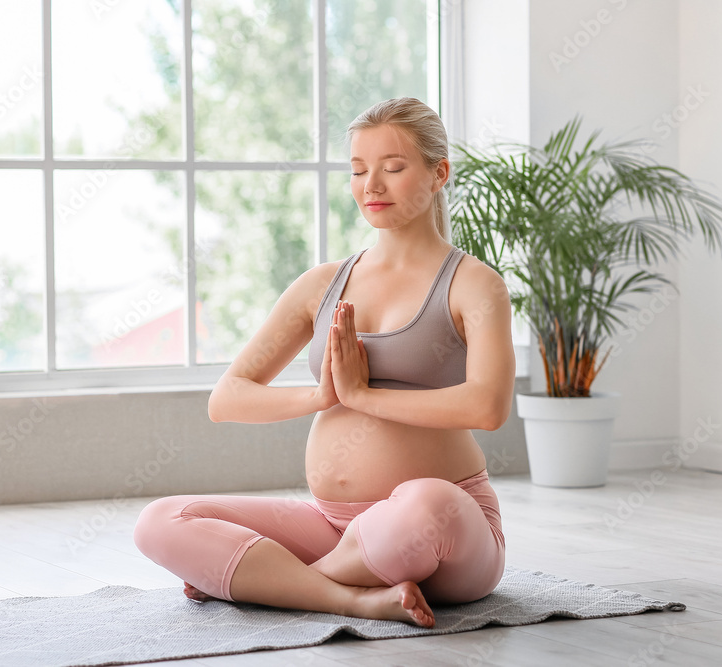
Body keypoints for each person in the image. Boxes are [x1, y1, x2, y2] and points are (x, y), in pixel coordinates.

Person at [133, 97, 515, 628]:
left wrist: (364, 397)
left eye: (394, 168)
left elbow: (488, 406)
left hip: (444, 534)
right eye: (358, 170)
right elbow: (228, 397)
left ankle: (282, 582)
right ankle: (352, 597)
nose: (371, 186)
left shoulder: (475, 285)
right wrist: (321, 397)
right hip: (332, 523)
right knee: (163, 520)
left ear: (438, 173)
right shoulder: (321, 285)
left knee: (429, 501)